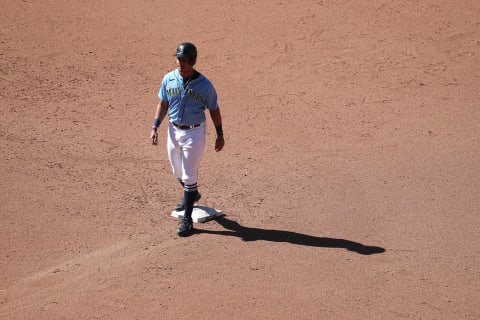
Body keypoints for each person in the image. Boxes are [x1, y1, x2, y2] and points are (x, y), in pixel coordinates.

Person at [150, 42, 225, 237]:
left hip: (194, 133)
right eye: (178, 59)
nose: (179, 62)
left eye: (183, 60)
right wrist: (155, 126)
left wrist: (220, 134)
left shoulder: (205, 85)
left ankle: (187, 220)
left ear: (192, 61)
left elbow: (214, 109)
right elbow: (162, 103)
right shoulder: (169, 79)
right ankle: (192, 194)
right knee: (177, 170)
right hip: (173, 131)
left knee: (189, 174)